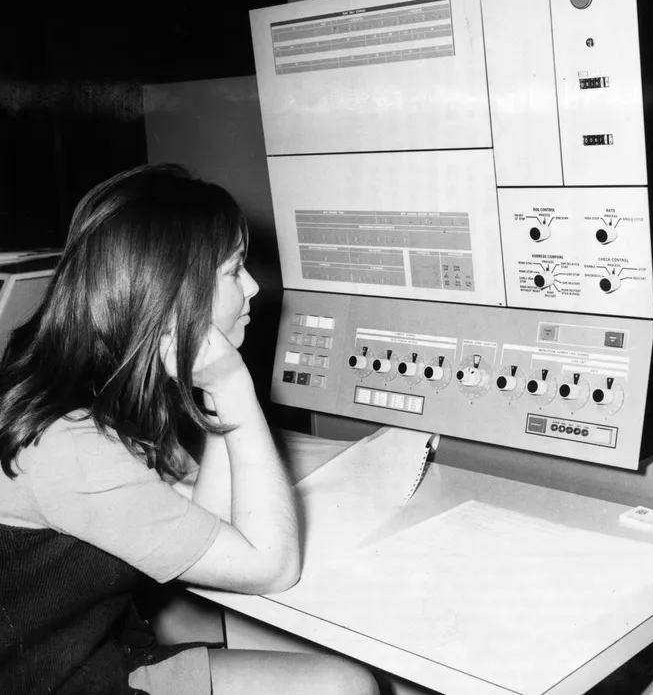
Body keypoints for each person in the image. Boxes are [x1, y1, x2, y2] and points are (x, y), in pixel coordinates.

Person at [0, 164, 379, 695]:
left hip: (92, 657)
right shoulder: (69, 445)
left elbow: (205, 520)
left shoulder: (92, 386)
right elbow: (270, 567)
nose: (253, 286)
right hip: (54, 681)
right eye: (233, 269)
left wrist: (215, 392)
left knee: (344, 684)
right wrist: (234, 391)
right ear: (174, 293)